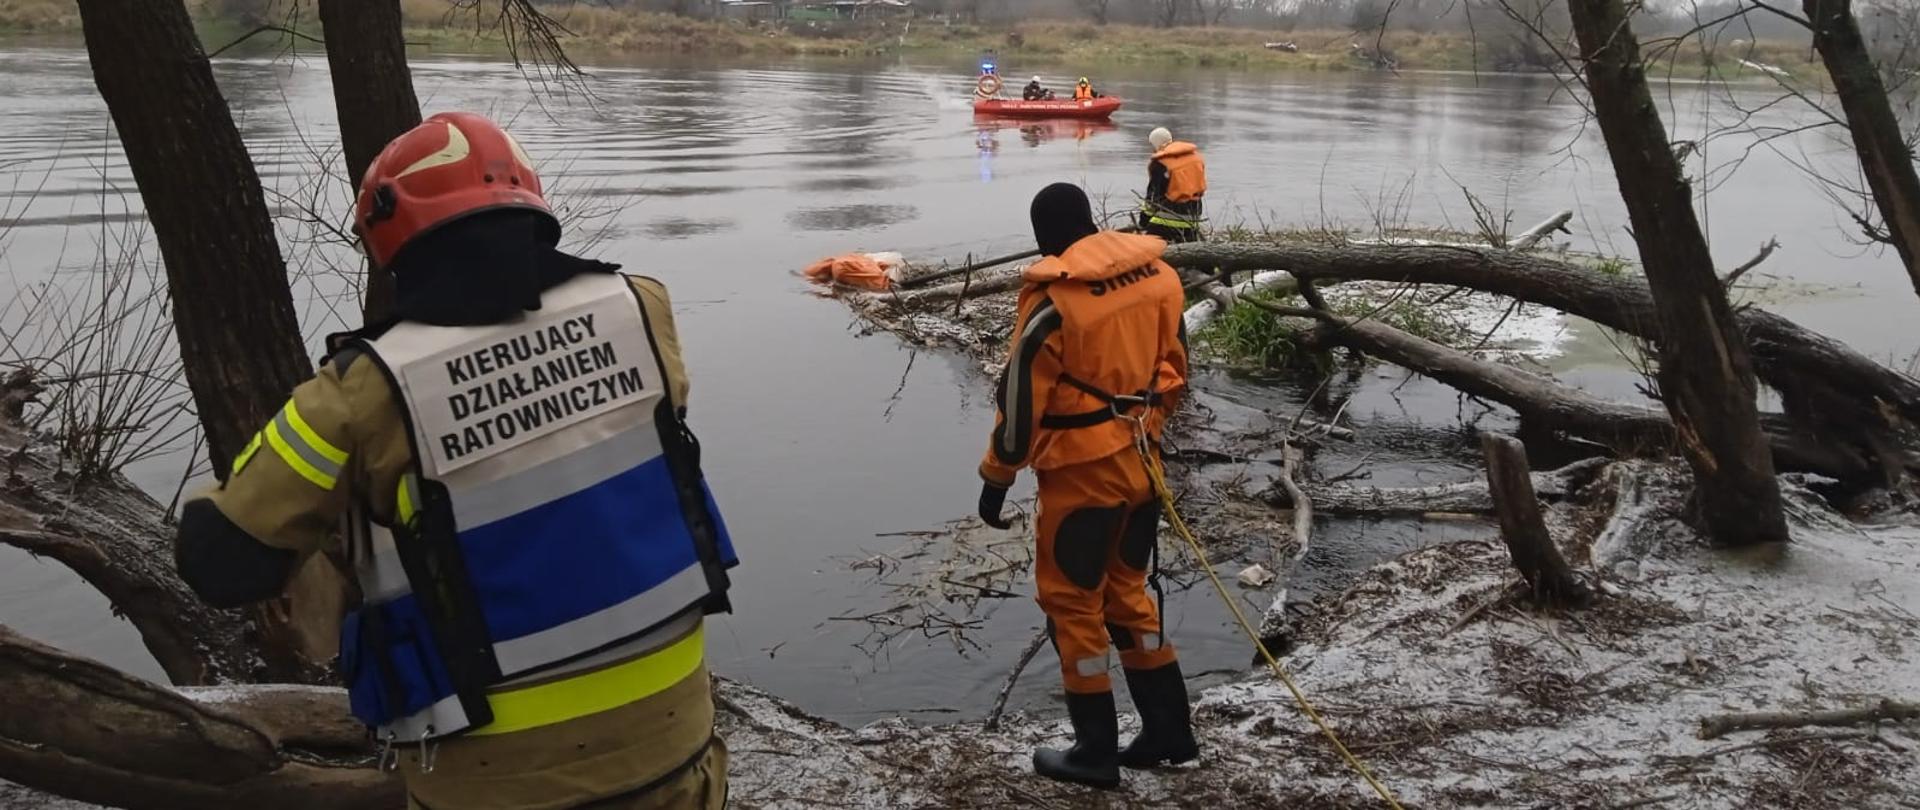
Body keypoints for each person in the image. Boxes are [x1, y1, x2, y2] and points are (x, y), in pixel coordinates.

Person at [172, 111, 740, 810]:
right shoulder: (641, 309)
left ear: (388, 239)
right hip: (677, 749)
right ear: (530, 202)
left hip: (496, 785)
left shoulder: (363, 392)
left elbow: (222, 564)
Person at [976, 182, 1199, 789]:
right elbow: (1177, 364)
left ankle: (1094, 752)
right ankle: (1170, 732)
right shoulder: (1158, 277)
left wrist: (996, 477)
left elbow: (1020, 401)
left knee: (1073, 604)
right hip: (1142, 460)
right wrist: (1147, 423)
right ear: (1092, 221)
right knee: (1127, 592)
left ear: (1045, 237)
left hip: (1082, 476)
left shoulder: (1055, 303)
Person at [1138, 127, 1207, 243]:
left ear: (1155, 144)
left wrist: (1143, 222)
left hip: (1170, 216)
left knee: (1147, 243)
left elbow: (1153, 197)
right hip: (1194, 216)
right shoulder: (1196, 158)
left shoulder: (1160, 163)